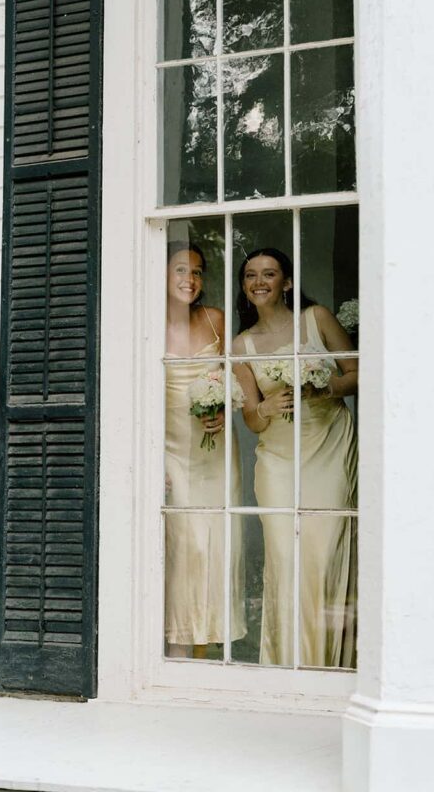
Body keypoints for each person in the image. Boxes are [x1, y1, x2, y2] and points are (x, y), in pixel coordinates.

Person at [232, 247, 357, 668]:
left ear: (287, 282)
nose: (259, 282)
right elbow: (251, 418)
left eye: (269, 274)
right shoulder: (241, 344)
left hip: (328, 444)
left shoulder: (316, 318)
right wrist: (263, 409)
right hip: (278, 459)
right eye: (251, 275)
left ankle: (327, 662)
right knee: (285, 558)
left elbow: (359, 371)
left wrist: (329, 388)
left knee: (322, 555)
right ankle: (287, 662)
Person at [164, 240, 246, 658]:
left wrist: (226, 405)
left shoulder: (215, 320)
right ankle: (178, 642)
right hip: (172, 452)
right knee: (186, 545)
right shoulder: (149, 323)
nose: (190, 280)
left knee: (216, 542)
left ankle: (206, 643)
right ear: (162, 274)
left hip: (215, 451)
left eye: (196, 272)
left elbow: (238, 379)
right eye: (180, 270)